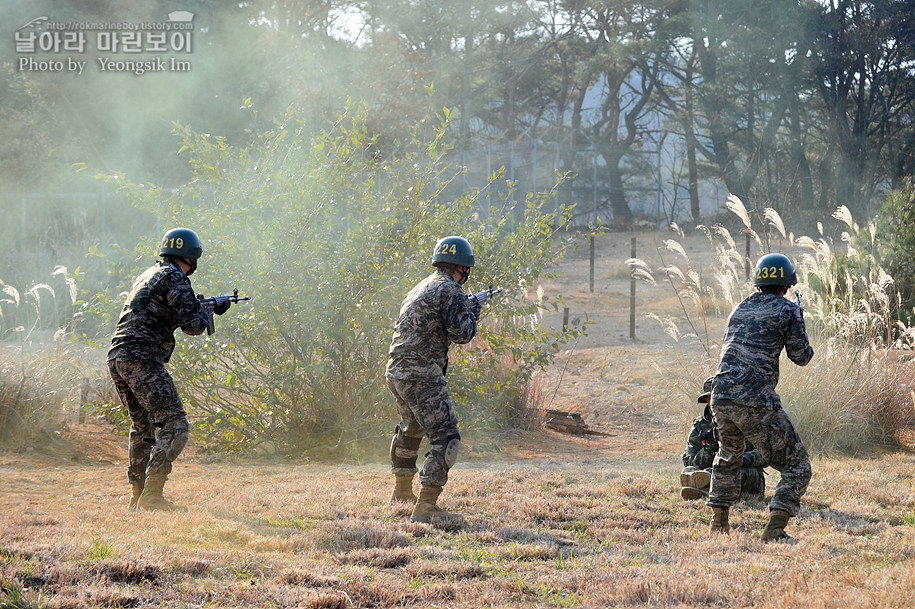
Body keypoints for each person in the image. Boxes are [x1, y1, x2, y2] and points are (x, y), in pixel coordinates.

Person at [107, 228, 230, 511]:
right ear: (191, 256)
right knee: (175, 425)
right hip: (142, 357)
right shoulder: (177, 278)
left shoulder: (149, 275)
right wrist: (209, 311)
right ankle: (152, 497)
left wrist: (201, 306)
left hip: (118, 356)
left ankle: (136, 497)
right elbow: (193, 327)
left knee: (144, 428)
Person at [706, 253, 814, 541]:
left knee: (728, 457)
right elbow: (802, 357)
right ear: (787, 285)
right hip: (754, 397)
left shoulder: (739, 308)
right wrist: (798, 317)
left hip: (720, 395)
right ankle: (775, 528)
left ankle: (719, 523)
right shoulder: (787, 310)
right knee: (797, 464)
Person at [385, 236, 479, 524]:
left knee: (411, 428)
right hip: (422, 372)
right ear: (462, 267)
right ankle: (426, 505)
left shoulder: (420, 286)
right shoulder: (451, 290)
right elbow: (461, 334)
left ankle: (402, 492)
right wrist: (473, 313)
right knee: (447, 437)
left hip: (396, 370)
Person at [680, 377, 766, 501]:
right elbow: (690, 461)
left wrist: (741, 459)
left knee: (738, 472)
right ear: (707, 400)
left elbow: (765, 455)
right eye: (713, 398)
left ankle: (706, 484)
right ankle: (704, 488)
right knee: (689, 470)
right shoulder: (700, 425)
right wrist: (710, 448)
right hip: (711, 469)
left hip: (744, 476)